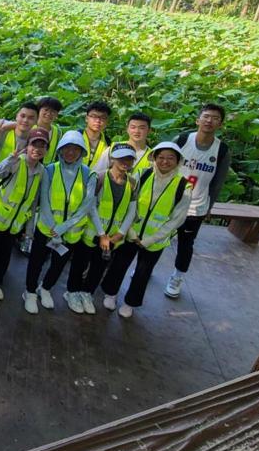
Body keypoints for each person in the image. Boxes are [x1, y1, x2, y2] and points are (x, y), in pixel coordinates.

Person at [101, 142, 191, 318]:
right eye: (161, 157)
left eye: (170, 158)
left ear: (178, 161)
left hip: (155, 241)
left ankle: (130, 303)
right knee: (119, 264)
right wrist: (130, 232)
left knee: (143, 272)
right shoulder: (143, 174)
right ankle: (110, 293)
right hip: (131, 234)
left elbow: (177, 219)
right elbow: (128, 203)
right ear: (154, 158)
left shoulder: (183, 186)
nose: (165, 161)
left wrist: (150, 240)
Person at [23, 131, 96, 315]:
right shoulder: (50, 170)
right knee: (36, 262)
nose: (71, 152)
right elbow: (44, 200)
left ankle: (45, 288)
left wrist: (63, 227)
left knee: (58, 264)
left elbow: (86, 206)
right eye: (67, 148)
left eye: (76, 149)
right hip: (46, 229)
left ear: (82, 152)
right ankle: (30, 291)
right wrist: (53, 227)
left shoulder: (88, 174)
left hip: (70, 232)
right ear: (60, 150)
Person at [167, 104, 231, 298]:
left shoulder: (222, 150)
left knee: (186, 244)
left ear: (220, 124)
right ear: (198, 120)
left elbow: (217, 183)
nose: (209, 121)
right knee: (156, 238)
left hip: (196, 207)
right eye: (206, 116)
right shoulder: (182, 140)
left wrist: (208, 207)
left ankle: (177, 277)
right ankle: (145, 270)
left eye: (215, 118)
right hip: (169, 201)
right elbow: (164, 164)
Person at [0, 128, 48, 306]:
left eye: (42, 146)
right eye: (34, 144)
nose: (37, 149)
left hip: (14, 224)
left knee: (3, 257)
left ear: (46, 150)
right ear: (27, 146)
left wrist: (29, 230)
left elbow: (33, 202)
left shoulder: (41, 171)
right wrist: (9, 160)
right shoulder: (17, 162)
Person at [68, 143, 138, 315]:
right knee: (80, 263)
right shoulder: (98, 177)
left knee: (99, 267)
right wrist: (101, 234)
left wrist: (121, 233)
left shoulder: (132, 183)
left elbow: (132, 210)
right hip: (91, 233)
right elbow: (91, 206)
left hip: (113, 237)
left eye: (129, 159)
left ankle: (87, 293)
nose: (125, 162)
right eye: (121, 158)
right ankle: (72, 292)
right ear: (112, 159)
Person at [0, 101, 39, 167]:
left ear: (36, 121)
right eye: (22, 116)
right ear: (17, 116)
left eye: (31, 118)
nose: (25, 120)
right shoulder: (3, 131)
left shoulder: (36, 139)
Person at [93, 112, 152, 177]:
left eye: (142, 128)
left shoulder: (152, 156)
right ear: (127, 129)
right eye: (133, 127)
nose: (137, 131)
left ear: (149, 131)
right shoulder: (114, 148)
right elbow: (96, 173)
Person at [78, 101, 112, 169]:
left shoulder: (108, 143)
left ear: (107, 121)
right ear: (86, 118)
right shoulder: (76, 136)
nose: (98, 121)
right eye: (94, 116)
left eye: (103, 117)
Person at [35, 97, 63, 163]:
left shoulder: (58, 132)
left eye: (53, 111)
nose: (49, 113)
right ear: (38, 110)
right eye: (46, 110)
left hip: (48, 168)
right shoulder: (29, 127)